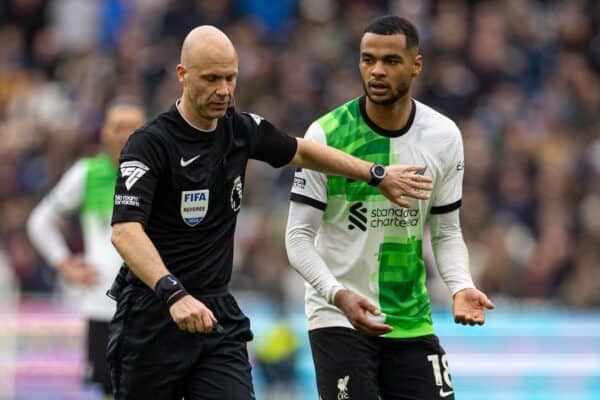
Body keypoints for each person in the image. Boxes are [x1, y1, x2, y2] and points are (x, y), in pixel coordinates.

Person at [107, 25, 432, 400]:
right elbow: (125, 231)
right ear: (182, 75)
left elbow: (303, 151)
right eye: (211, 79)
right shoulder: (150, 144)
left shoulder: (241, 130)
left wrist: (374, 174)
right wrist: (173, 293)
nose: (224, 91)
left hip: (215, 314)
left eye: (231, 78)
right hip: (152, 314)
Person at [285, 16, 495, 400]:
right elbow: (298, 237)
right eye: (368, 60)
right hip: (339, 316)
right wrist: (336, 294)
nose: (377, 70)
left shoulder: (443, 136)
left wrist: (461, 285)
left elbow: (446, 231)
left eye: (391, 61)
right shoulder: (326, 135)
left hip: (410, 316)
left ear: (416, 65)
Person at [27, 98, 146, 397]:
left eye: (133, 128)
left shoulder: (158, 174)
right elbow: (40, 221)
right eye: (118, 127)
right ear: (104, 132)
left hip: (150, 305)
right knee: (108, 389)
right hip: (102, 305)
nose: (124, 135)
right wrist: (65, 264)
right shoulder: (87, 173)